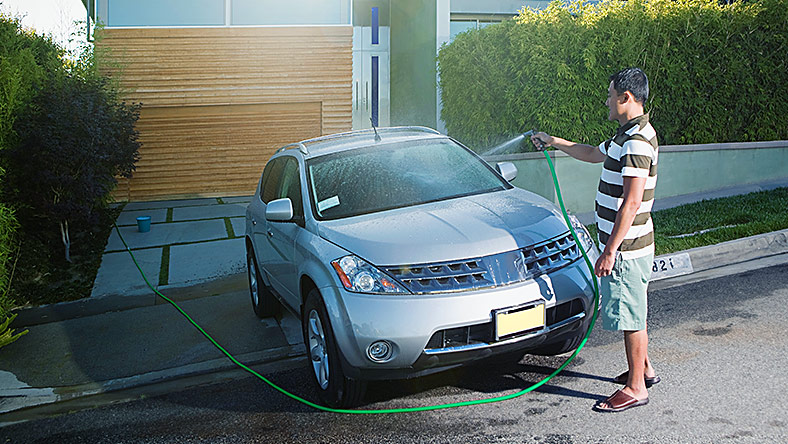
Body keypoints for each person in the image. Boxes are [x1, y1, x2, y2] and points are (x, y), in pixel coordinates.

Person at [531, 67, 659, 413]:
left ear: (625, 98)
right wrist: (553, 141)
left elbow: (631, 201)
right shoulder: (628, 133)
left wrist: (609, 251)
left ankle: (635, 389)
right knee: (635, 309)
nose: (606, 101)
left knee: (629, 316)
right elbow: (591, 153)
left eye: (609, 94)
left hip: (627, 249)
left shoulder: (635, 142)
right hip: (633, 245)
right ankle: (643, 369)